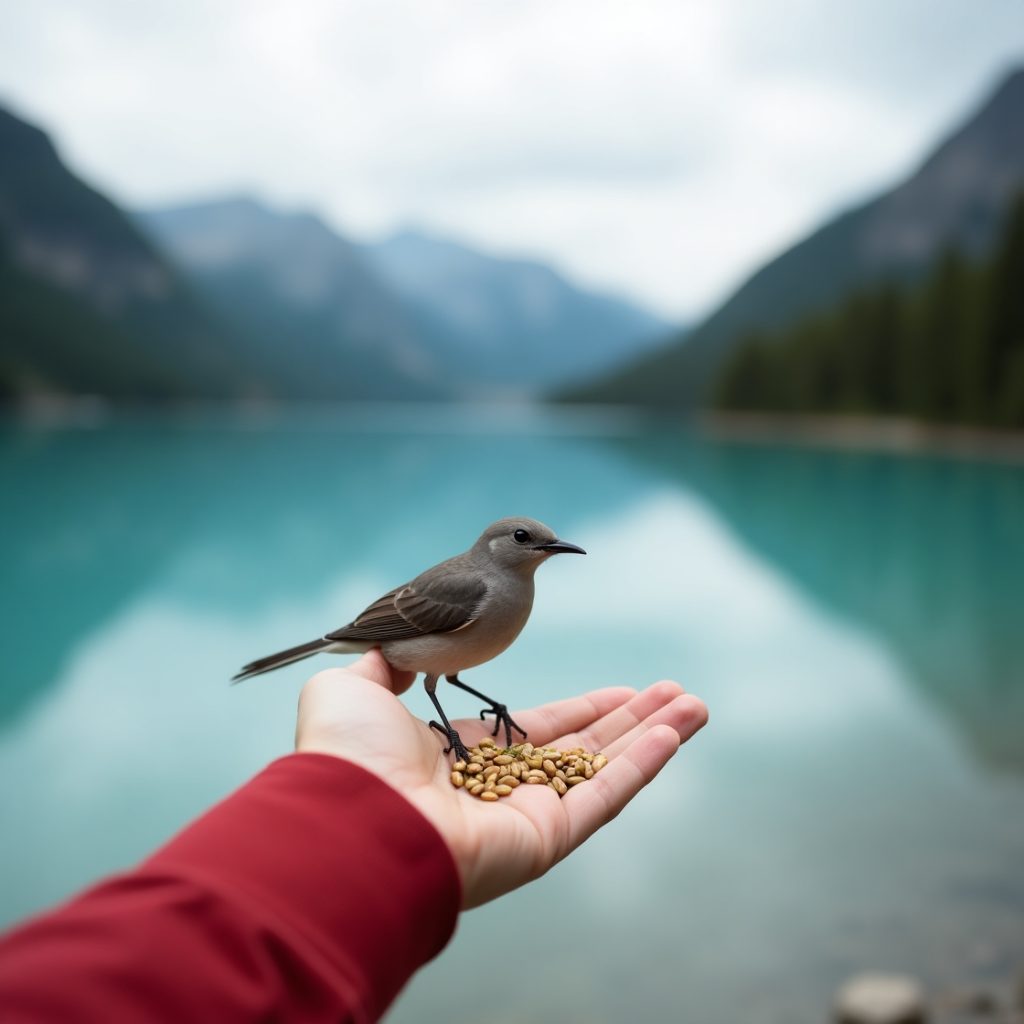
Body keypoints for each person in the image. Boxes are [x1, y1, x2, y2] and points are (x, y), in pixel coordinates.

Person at [0, 651, 708, 1023]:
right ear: (499, 548)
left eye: (545, 542)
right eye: (527, 540)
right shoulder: (471, 590)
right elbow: (429, 678)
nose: (544, 548)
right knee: (436, 686)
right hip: (424, 698)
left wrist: (357, 825)